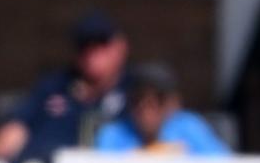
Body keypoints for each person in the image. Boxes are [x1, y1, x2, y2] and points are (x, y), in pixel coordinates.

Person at [0, 10, 129, 163]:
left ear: (120, 46)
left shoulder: (133, 92)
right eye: (84, 46)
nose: (92, 54)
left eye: (100, 45)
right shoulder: (55, 86)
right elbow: (18, 128)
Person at [95, 62, 229, 156]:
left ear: (173, 104)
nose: (147, 107)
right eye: (138, 99)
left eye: (159, 98)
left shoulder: (189, 127)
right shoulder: (114, 134)